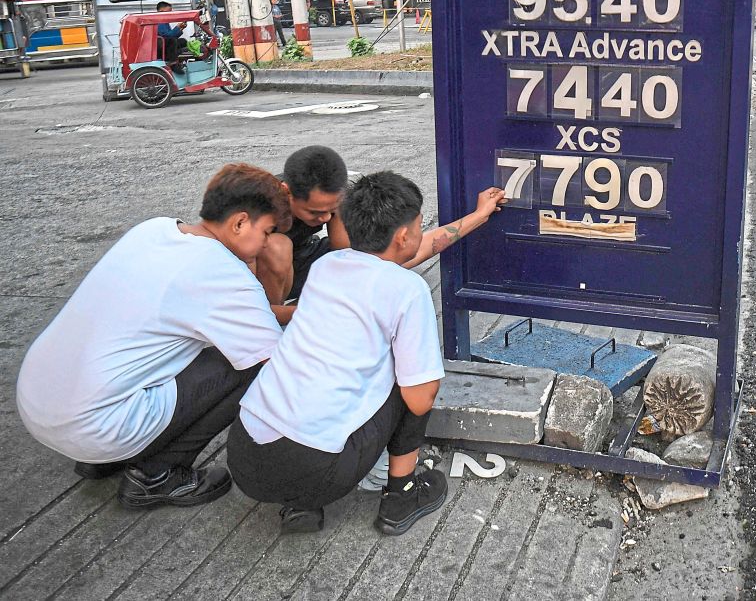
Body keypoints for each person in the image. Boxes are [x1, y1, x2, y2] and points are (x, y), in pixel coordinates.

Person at [15, 164, 290, 509]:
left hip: (38, 404)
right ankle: (157, 474)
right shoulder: (224, 273)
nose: (267, 245)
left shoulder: (152, 229)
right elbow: (277, 362)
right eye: (267, 232)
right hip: (98, 426)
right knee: (254, 365)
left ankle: (103, 459)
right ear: (239, 222)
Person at [228, 171, 447, 536]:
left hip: (245, 455)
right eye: (420, 226)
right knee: (417, 379)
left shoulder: (325, 266)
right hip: (315, 468)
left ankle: (300, 506)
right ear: (404, 236)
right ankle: (402, 493)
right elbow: (421, 400)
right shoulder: (409, 289)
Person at [254, 145, 505, 319]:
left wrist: (478, 216)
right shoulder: (253, 213)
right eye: (315, 213)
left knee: (376, 261)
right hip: (260, 279)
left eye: (331, 211)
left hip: (305, 261)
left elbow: (371, 259)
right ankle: (275, 325)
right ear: (286, 192)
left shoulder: (335, 202)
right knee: (278, 246)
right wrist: (308, 314)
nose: (324, 218)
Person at [156, 1, 190, 67]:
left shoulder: (165, 21)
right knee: (172, 40)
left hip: (166, 44)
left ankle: (180, 58)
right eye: (168, 11)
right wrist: (177, 28)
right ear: (161, 11)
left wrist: (180, 28)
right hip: (161, 47)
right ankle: (173, 62)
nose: (170, 14)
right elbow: (168, 36)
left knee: (182, 41)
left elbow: (171, 34)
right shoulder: (159, 21)